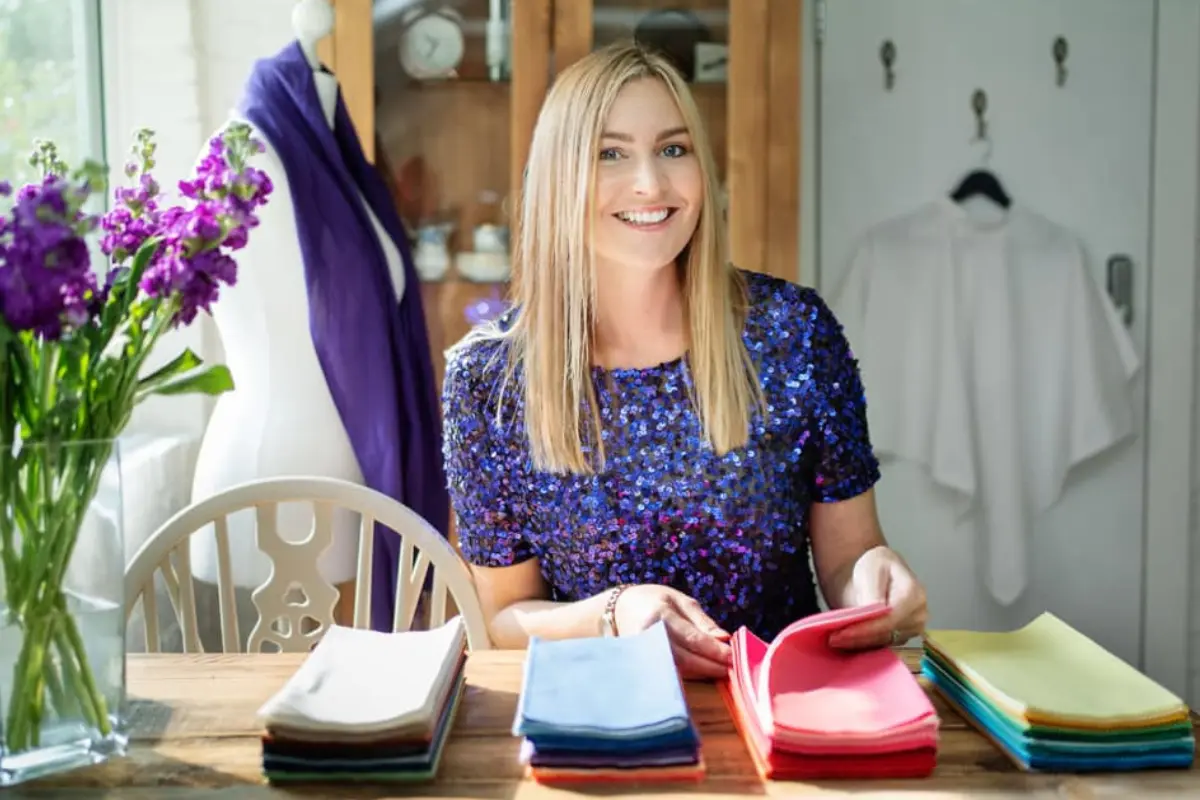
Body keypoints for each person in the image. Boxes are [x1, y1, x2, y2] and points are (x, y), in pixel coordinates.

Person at [441, 41, 927, 679]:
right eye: (611, 153)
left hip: (779, 703)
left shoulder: (796, 331)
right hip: (599, 705)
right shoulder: (487, 379)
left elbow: (847, 558)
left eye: (674, 149)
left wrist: (874, 581)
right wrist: (615, 613)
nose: (651, 183)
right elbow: (503, 619)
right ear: (559, 179)